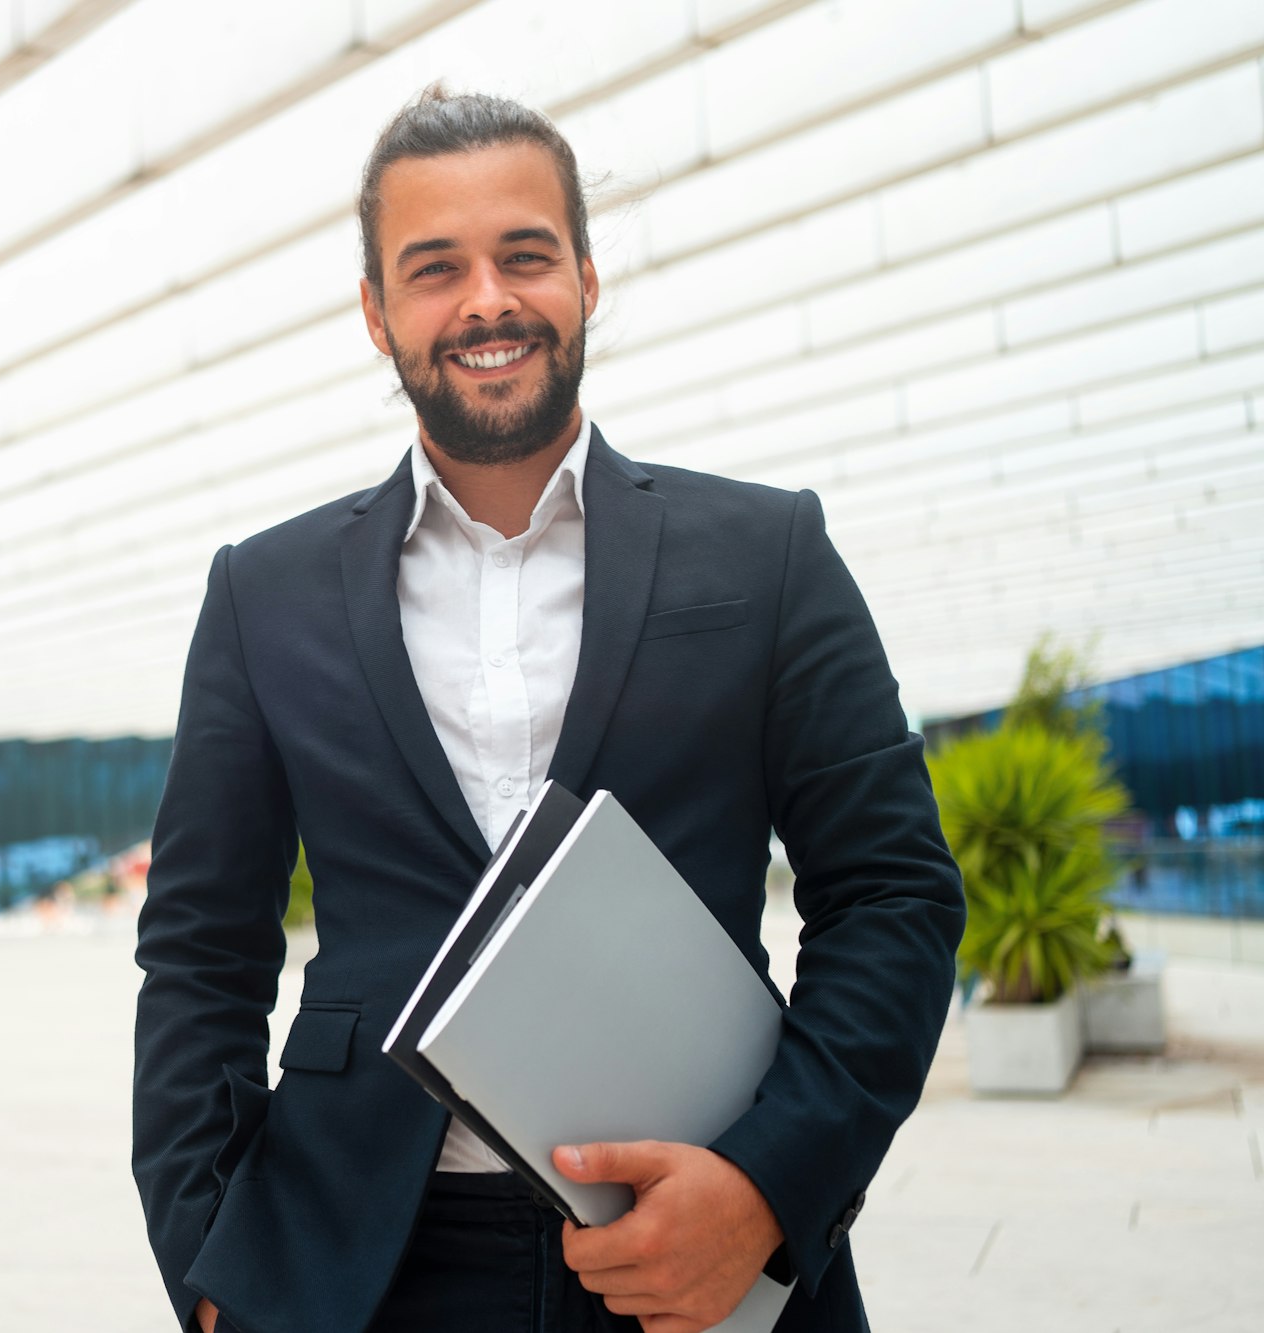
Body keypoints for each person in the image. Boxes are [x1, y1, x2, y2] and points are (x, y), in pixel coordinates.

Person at [131, 86, 964, 1333]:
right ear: (374, 312)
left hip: (695, 1245)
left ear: (584, 276)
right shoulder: (264, 593)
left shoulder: (765, 552)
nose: (486, 300)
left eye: (524, 255)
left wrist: (762, 1187)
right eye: (432, 268)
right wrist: (207, 1257)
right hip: (359, 1268)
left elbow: (892, 893)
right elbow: (201, 951)